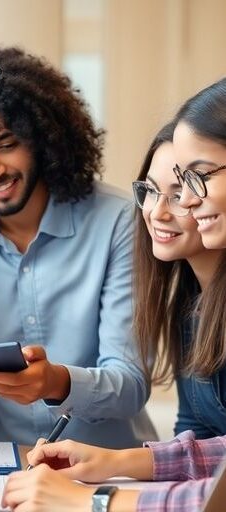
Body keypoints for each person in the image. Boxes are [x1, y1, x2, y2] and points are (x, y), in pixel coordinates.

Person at [0, 46, 155, 447]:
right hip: (4, 474)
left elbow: (130, 386)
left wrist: (56, 382)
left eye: (6, 145)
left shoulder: (117, 222)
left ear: (42, 136)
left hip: (111, 467)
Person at [1, 77, 226, 512]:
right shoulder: (188, 306)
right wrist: (113, 462)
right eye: (152, 190)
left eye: (190, 183)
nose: (163, 210)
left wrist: (94, 500)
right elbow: (205, 441)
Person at [131, 123, 226, 438]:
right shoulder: (187, 305)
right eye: (151, 191)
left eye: (178, 193)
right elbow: (195, 428)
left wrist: (120, 463)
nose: (157, 212)